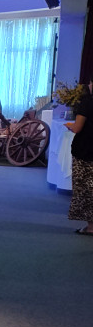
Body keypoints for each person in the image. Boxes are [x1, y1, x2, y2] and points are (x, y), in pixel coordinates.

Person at [65, 82, 93, 235]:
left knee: (86, 190)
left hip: (86, 150)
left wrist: (69, 126)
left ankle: (91, 227)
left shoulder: (87, 103)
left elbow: (77, 128)